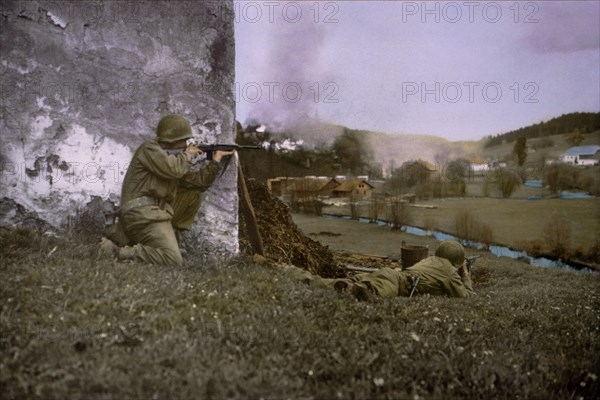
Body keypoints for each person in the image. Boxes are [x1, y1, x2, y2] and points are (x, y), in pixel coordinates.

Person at [99, 114, 234, 265]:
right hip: (140, 214)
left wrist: (216, 160)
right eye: (183, 141)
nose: (186, 144)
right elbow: (173, 170)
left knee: (194, 194)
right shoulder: (150, 149)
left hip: (156, 212)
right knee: (174, 260)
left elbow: (199, 183)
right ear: (171, 140)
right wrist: (188, 155)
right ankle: (120, 252)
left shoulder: (172, 160)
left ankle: (159, 242)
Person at [281, 240, 474, 300]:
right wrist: (465, 276)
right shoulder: (450, 273)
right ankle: (350, 290)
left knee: (338, 284)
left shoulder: (429, 260)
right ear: (457, 261)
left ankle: (290, 271)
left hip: (390, 275)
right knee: (368, 293)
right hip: (395, 283)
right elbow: (467, 298)